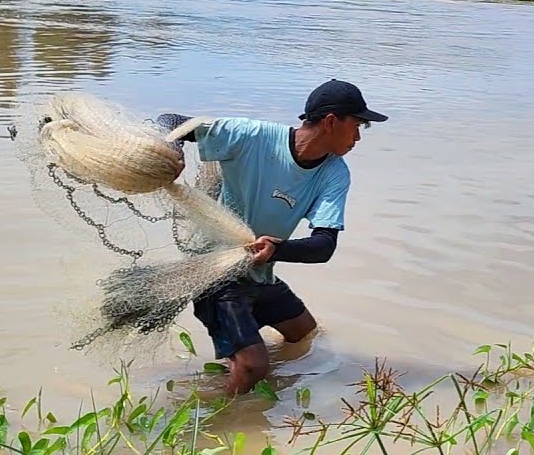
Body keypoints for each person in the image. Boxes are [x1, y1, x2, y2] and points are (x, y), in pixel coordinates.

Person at [155, 79, 387, 396]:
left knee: (304, 334)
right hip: (216, 270)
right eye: (357, 126)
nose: (358, 137)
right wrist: (171, 149)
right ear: (332, 121)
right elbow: (171, 122)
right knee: (254, 366)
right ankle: (225, 415)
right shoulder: (253, 136)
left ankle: (232, 366)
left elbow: (324, 246)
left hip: (260, 270)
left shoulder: (334, 173)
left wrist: (276, 250)